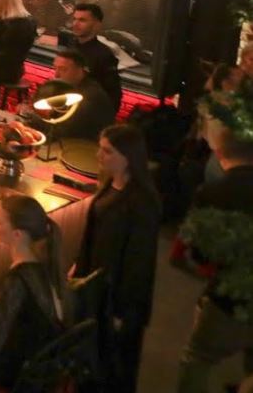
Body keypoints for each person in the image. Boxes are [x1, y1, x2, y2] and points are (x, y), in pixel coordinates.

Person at [72, 124, 160, 393]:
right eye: (100, 148)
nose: (99, 155)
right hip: (97, 286)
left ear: (128, 157)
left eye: (108, 151)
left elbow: (139, 263)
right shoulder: (112, 184)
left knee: (111, 367)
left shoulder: (142, 203)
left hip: (117, 298)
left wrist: (124, 311)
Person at [176, 124, 253, 393]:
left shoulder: (214, 192)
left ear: (220, 152)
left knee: (198, 357)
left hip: (228, 299)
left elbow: (199, 253)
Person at [0, 195, 70, 388]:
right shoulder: (44, 267)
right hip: (40, 369)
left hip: (16, 375)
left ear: (17, 234)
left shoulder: (16, 280)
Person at [67, 3, 123, 112]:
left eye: (82, 20)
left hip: (87, 112)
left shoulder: (104, 55)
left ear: (97, 25)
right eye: (74, 19)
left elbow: (113, 95)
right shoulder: (71, 46)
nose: (75, 24)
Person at [50, 50, 116, 141]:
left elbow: (64, 131)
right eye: (55, 68)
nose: (56, 75)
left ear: (80, 70)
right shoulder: (70, 85)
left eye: (63, 69)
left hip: (86, 145)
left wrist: (35, 120)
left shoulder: (90, 96)